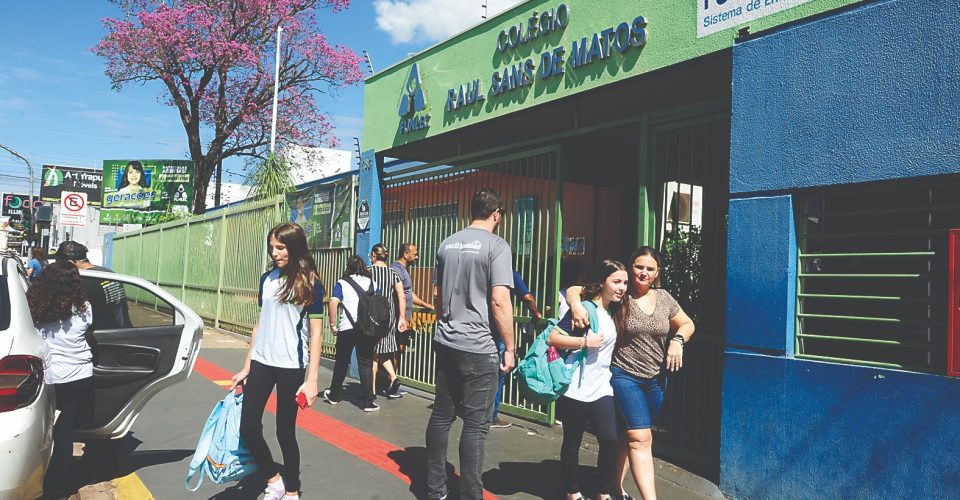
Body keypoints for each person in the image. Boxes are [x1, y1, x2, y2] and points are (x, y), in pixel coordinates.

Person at [568, 246, 695, 500]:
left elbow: (687, 323)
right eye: (639, 267)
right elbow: (575, 290)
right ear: (630, 267)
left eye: (650, 269)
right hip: (624, 375)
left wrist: (677, 340)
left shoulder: (664, 298)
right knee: (641, 437)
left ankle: (612, 488)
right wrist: (576, 307)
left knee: (627, 436)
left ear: (657, 272)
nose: (643, 273)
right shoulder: (620, 294)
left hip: (657, 379)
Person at [426, 188, 516, 500]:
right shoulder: (497, 245)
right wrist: (511, 347)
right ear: (497, 214)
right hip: (479, 346)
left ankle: (434, 489)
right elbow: (500, 301)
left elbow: (437, 296)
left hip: (447, 340)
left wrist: (445, 322)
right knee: (476, 427)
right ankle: (469, 495)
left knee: (441, 416)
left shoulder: (447, 243)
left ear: (471, 211)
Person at [229, 222, 325, 500]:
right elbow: (259, 326)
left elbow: (316, 335)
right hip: (261, 362)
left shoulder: (310, 283)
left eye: (280, 248)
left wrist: (312, 380)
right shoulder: (266, 280)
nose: (274, 253)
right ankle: (274, 479)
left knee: (285, 432)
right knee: (248, 427)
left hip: (290, 366)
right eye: (272, 247)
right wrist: (247, 365)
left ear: (294, 248)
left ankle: (292, 490)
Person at [548, 260, 628, 500]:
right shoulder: (584, 309)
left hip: (602, 386)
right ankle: (572, 491)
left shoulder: (614, 310)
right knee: (573, 441)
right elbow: (553, 338)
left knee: (610, 439)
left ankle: (603, 492)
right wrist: (584, 342)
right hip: (576, 387)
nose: (622, 287)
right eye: (616, 282)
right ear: (602, 282)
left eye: (625, 282)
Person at [28, 260, 94, 497]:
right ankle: (60, 485)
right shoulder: (84, 307)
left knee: (42, 432)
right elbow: (86, 328)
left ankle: (38, 481)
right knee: (65, 432)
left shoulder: (35, 306)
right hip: (79, 374)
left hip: (50, 376)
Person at [323, 255, 380, 412]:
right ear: (363, 266)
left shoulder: (342, 283)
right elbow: (378, 306)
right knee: (366, 363)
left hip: (347, 328)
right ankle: (369, 402)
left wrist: (333, 324)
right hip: (367, 329)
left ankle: (334, 395)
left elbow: (333, 302)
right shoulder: (372, 283)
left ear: (348, 267)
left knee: (341, 361)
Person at [488, 267, 544, 429]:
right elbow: (526, 297)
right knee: (500, 371)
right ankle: (491, 416)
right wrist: (536, 312)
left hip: (477, 327)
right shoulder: (510, 274)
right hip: (498, 329)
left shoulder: (483, 272)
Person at [56, 240, 132, 330]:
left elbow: (74, 318)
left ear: (70, 263)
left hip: (99, 338)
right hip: (124, 332)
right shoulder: (109, 273)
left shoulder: (81, 281)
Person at [368, 243, 408, 398]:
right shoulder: (393, 273)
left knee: (372, 354)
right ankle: (393, 377)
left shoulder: (368, 271)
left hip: (372, 316)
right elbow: (401, 296)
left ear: (373, 255)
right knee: (382, 350)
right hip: (389, 316)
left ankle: (370, 391)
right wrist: (402, 318)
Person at [390, 242, 433, 377]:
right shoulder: (396, 269)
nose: (417, 257)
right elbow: (399, 294)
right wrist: (402, 318)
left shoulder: (404, 269)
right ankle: (390, 382)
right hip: (398, 318)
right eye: (414, 254)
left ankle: (390, 381)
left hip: (403, 318)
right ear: (405, 254)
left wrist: (425, 304)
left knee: (399, 349)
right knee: (396, 349)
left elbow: (408, 293)